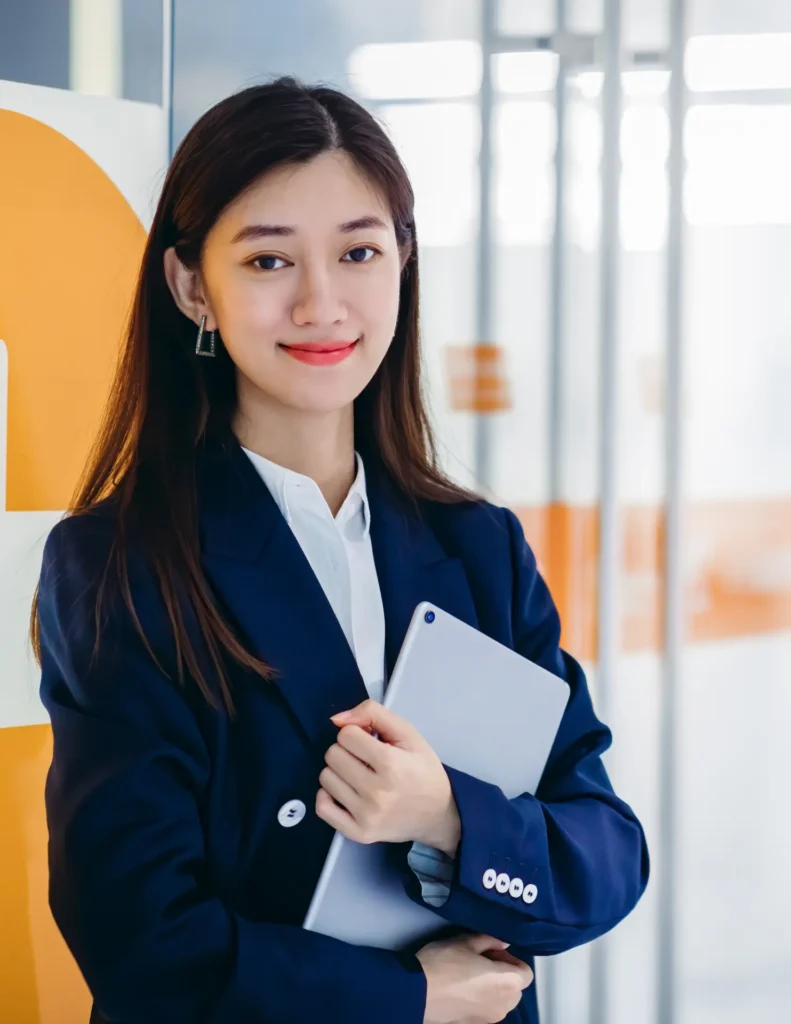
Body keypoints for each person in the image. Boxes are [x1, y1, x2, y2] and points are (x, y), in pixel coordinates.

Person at [32, 77, 649, 1024]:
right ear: (192, 286)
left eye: (358, 251)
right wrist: (409, 1000)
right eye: (270, 261)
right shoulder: (123, 565)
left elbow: (604, 857)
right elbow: (141, 944)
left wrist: (446, 815)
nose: (323, 303)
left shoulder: (478, 548)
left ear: (401, 261)